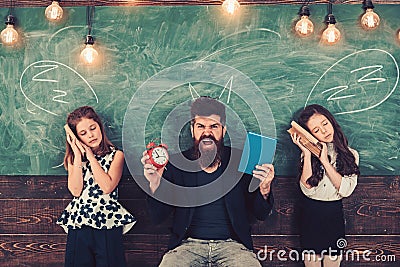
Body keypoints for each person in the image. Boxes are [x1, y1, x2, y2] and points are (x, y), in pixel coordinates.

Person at [141, 96, 275, 266]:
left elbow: (260, 214)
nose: (207, 132)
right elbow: (157, 217)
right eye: (201, 126)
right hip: (187, 247)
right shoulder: (175, 164)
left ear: (223, 130)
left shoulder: (241, 160)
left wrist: (264, 189)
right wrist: (154, 182)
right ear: (192, 130)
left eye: (214, 126)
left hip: (233, 247)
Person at [57, 106, 136, 267]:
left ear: (100, 126)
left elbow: (107, 186)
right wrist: (78, 155)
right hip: (79, 222)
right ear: (77, 137)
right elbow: (76, 190)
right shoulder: (75, 160)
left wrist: (91, 157)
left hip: (107, 222)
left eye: (93, 128)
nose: (91, 135)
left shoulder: (116, 155)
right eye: (83, 133)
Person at [289, 104, 360, 267]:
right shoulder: (308, 155)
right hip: (310, 214)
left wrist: (325, 162)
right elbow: (307, 188)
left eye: (324, 124)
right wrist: (307, 153)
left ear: (331, 121)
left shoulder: (351, 155)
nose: (324, 131)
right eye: (316, 130)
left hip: (333, 214)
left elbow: (346, 190)